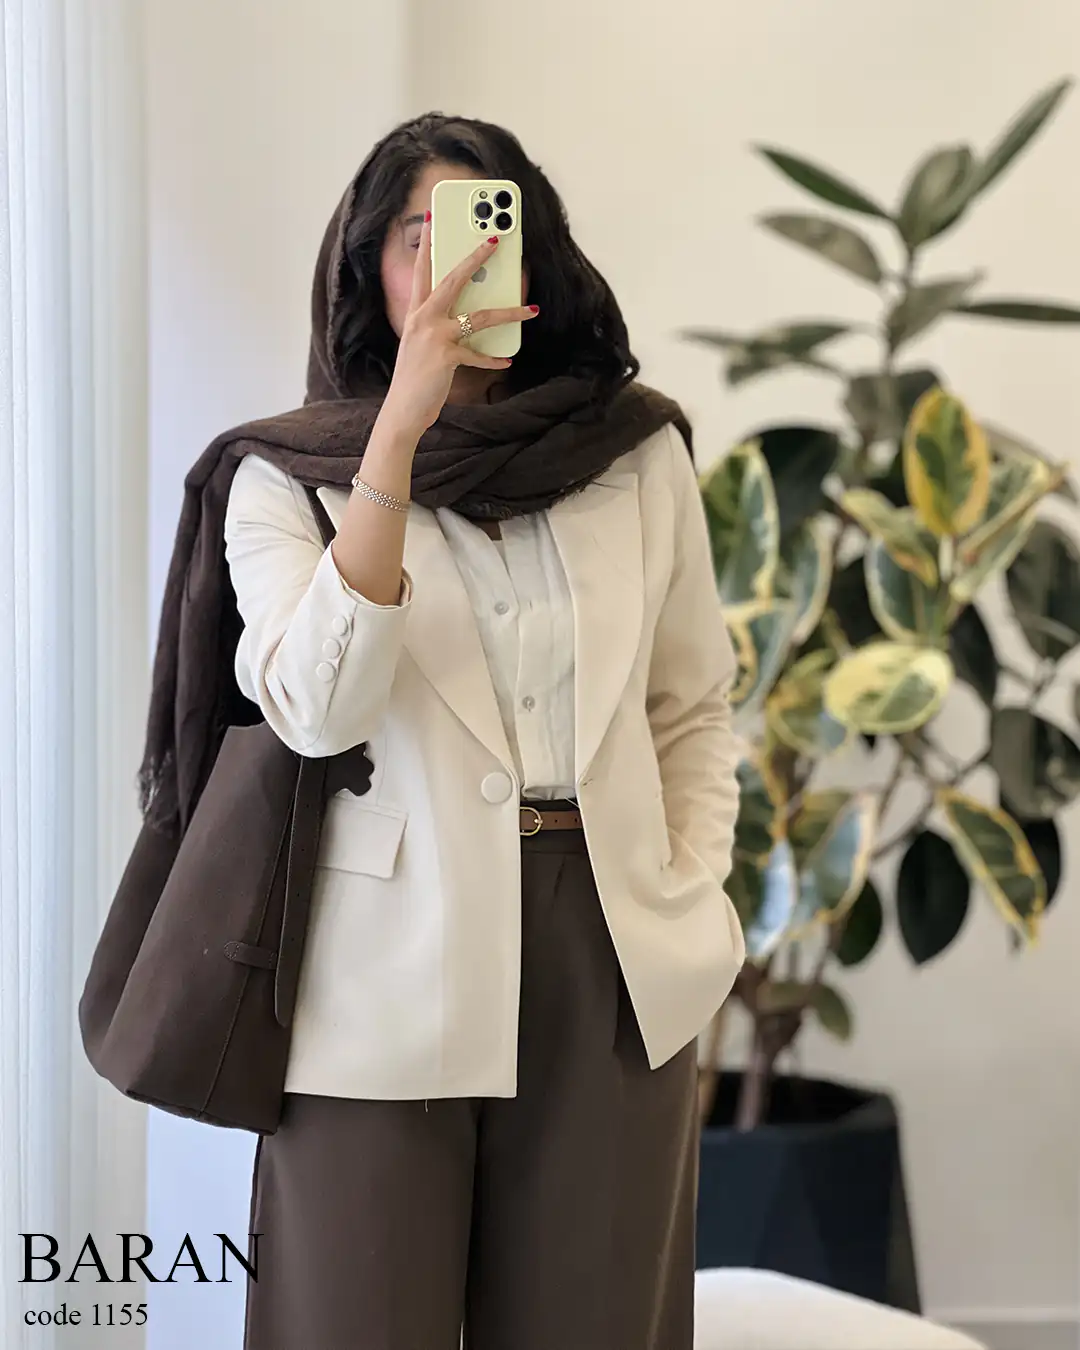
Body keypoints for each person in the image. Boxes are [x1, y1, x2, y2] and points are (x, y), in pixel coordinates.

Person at [157, 111, 744, 1349]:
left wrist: (694, 889)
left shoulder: (635, 455)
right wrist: (397, 439)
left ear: (536, 253)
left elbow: (691, 702)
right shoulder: (283, 478)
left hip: (615, 956)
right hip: (375, 976)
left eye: (486, 227)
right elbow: (317, 711)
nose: (454, 262)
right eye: (418, 236)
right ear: (367, 266)